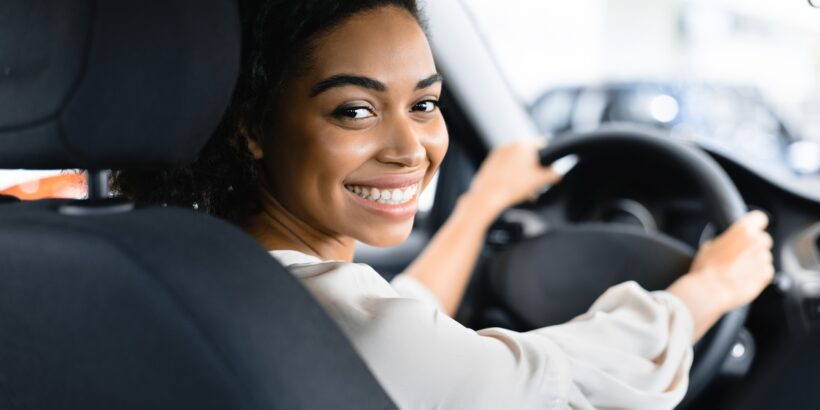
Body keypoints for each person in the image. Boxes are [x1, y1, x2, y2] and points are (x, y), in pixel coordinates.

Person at [112, 0, 774, 408]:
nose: (411, 148)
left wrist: (479, 206)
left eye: (425, 103)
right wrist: (707, 290)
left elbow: (403, 332)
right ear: (251, 125)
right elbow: (558, 385)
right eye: (356, 110)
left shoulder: (186, 274)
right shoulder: (338, 329)